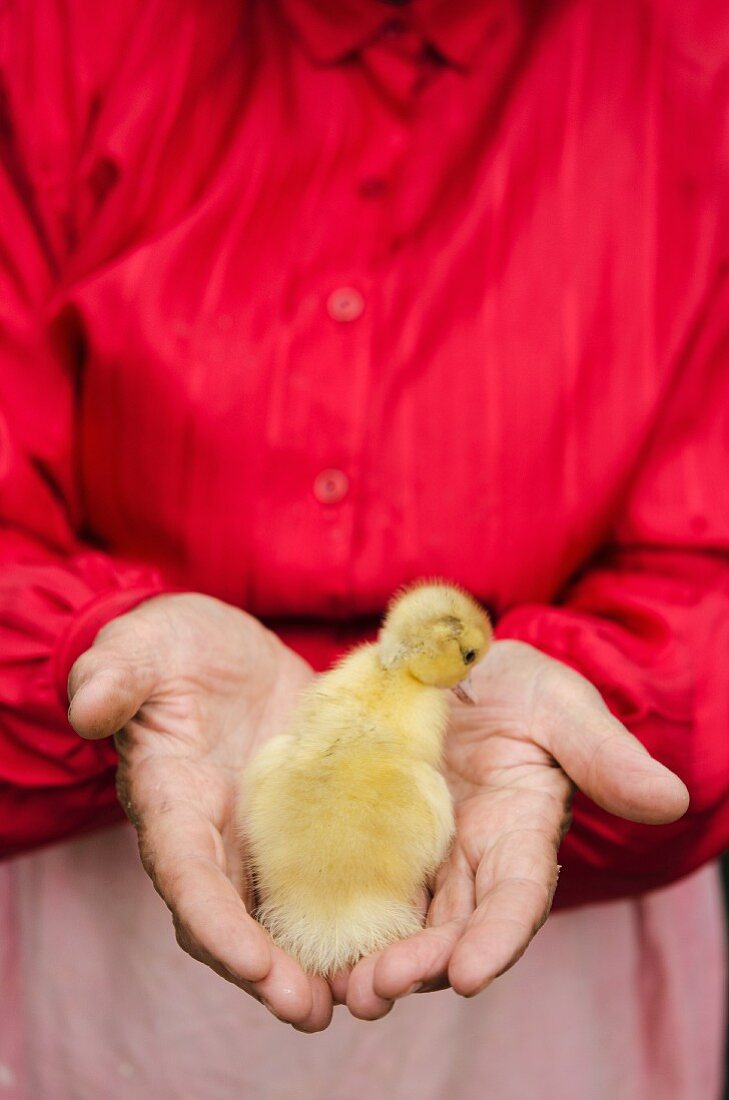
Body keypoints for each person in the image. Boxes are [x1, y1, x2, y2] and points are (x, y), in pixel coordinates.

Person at [1, 0, 727, 1096]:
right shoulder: (52, 33)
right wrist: (89, 649)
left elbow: (709, 560)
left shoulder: (694, 56)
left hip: (544, 974)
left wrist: (600, 704)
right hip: (112, 943)